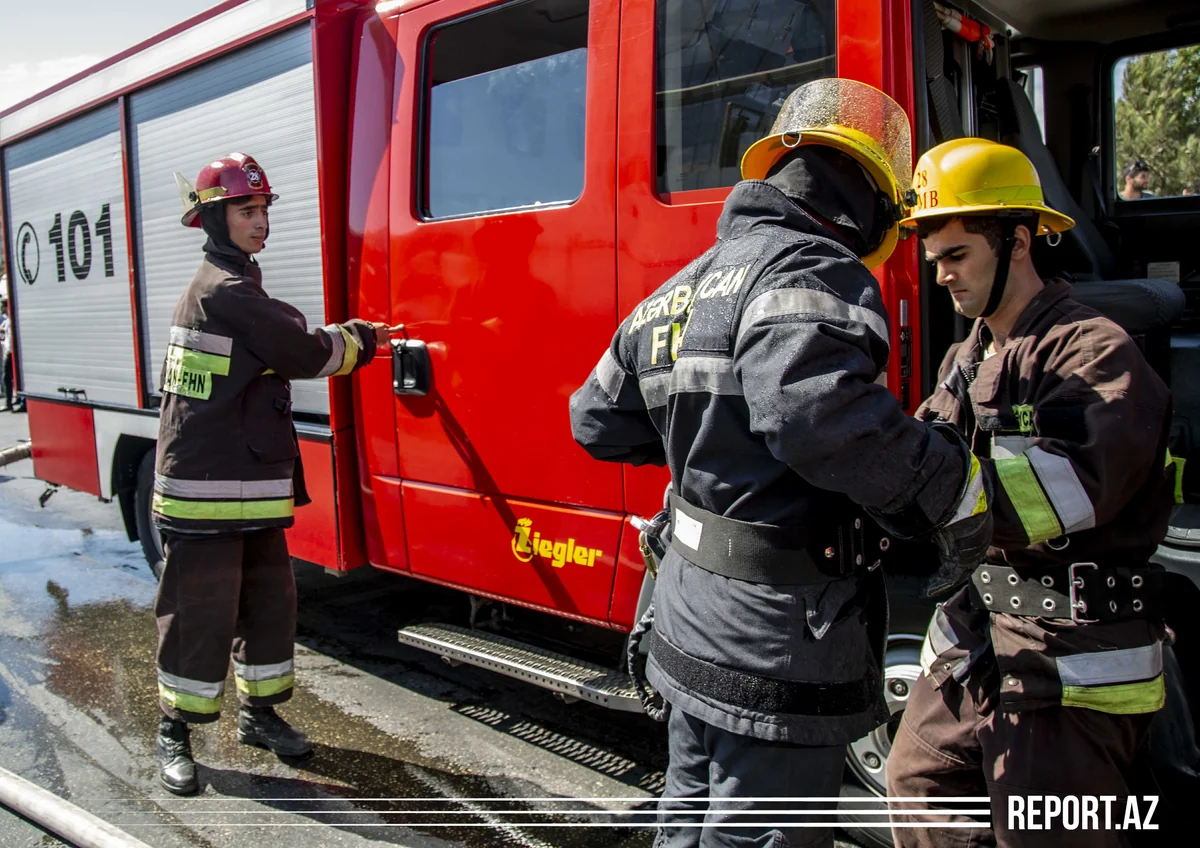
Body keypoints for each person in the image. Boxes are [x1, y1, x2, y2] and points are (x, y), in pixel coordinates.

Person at [569, 79, 993, 848]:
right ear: (870, 198)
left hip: (689, 621)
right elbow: (817, 419)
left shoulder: (677, 291)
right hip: (776, 641)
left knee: (688, 820)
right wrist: (952, 488)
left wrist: (702, 442)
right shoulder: (817, 272)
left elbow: (593, 421)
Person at [887, 138, 1174, 847]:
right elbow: (923, 455)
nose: (941, 275)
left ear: (1017, 242)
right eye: (935, 259)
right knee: (918, 786)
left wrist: (923, 479)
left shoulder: (1095, 353)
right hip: (982, 637)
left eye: (957, 255)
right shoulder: (970, 353)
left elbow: (1064, 493)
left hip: (1071, 656)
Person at [154, 152, 399, 796]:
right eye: (246, 211)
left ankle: (259, 716)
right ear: (213, 218)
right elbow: (304, 350)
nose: (260, 222)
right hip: (206, 490)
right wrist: (365, 340)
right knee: (198, 614)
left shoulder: (237, 283)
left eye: (264, 210)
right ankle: (173, 732)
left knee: (269, 605)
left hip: (244, 481)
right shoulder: (225, 291)